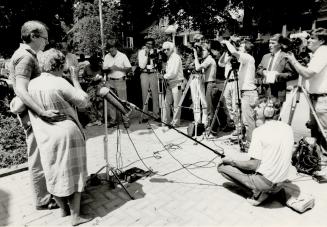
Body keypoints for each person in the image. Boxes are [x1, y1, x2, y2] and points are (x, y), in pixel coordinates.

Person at [28, 48, 92, 226]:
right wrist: (75, 80)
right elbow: (84, 101)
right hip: (66, 133)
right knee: (75, 172)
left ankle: (63, 210)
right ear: (60, 65)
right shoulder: (60, 82)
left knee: (52, 171)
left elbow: (17, 105)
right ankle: (75, 216)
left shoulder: (31, 84)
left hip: (44, 134)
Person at [9, 20, 64, 210]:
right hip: (32, 115)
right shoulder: (25, 57)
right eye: (44, 39)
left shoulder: (24, 55)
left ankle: (47, 194)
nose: (46, 43)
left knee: (41, 154)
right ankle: (42, 200)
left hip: (32, 113)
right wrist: (42, 112)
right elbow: (22, 91)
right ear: (33, 36)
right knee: (37, 157)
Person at [218, 97, 294, 206]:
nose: (255, 110)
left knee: (221, 167)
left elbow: (253, 165)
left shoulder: (259, 131)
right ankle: (275, 191)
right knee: (252, 164)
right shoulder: (288, 128)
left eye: (258, 107)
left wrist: (231, 161)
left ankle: (259, 193)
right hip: (281, 182)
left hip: (266, 183)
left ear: (268, 111)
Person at [286, 28, 327, 153]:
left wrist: (293, 60)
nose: (308, 40)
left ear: (322, 41)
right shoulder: (316, 53)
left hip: (322, 99)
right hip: (314, 97)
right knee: (315, 131)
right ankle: (316, 159)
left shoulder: (323, 51)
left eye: (312, 38)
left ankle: (324, 163)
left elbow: (308, 74)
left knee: (324, 131)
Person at [220, 39, 258, 142]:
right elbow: (222, 63)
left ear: (246, 49)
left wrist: (227, 42)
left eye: (241, 47)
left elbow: (233, 52)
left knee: (248, 121)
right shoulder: (246, 59)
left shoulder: (248, 57)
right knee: (247, 119)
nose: (239, 48)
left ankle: (251, 143)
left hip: (248, 92)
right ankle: (247, 140)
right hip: (245, 91)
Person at [256, 34, 297, 103]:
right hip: (264, 93)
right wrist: (263, 72)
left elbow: (293, 74)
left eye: (273, 43)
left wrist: (277, 76)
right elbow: (258, 69)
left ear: (280, 44)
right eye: (269, 43)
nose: (270, 45)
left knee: (276, 113)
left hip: (278, 93)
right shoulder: (265, 57)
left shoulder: (285, 57)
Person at [103, 40, 132, 128]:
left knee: (123, 101)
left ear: (115, 48)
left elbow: (129, 68)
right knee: (111, 101)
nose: (110, 51)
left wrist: (118, 68)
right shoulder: (107, 56)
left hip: (120, 80)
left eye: (112, 49)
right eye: (109, 50)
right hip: (110, 80)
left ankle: (126, 119)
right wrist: (109, 69)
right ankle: (113, 120)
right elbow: (103, 69)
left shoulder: (122, 56)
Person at [193, 43, 217, 127]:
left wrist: (196, 56)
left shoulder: (209, 59)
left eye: (203, 50)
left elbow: (197, 68)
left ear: (209, 52)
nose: (201, 52)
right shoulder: (207, 59)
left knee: (210, 109)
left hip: (210, 84)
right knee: (209, 107)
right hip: (208, 84)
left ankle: (211, 130)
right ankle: (210, 128)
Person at [162, 41, 185, 127]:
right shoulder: (170, 58)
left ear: (171, 49)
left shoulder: (175, 57)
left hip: (176, 83)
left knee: (176, 105)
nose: (166, 51)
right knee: (166, 103)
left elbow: (173, 73)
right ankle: (165, 121)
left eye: (168, 49)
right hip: (170, 83)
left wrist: (164, 76)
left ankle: (175, 123)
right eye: (164, 50)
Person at [138, 37, 160, 121]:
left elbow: (159, 63)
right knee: (145, 94)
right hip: (144, 73)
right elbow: (141, 65)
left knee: (155, 94)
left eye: (151, 44)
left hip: (153, 73)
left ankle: (156, 114)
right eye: (148, 44)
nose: (149, 46)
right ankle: (145, 115)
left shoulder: (156, 51)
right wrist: (146, 55)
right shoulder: (141, 52)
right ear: (145, 44)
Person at [83, 54, 104, 127]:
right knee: (90, 103)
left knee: (100, 103)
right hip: (90, 86)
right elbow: (84, 77)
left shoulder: (100, 67)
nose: (95, 63)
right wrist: (91, 79)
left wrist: (100, 78)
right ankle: (93, 120)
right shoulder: (87, 67)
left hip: (99, 86)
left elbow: (103, 76)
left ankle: (100, 119)